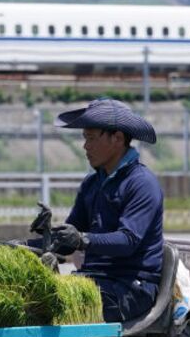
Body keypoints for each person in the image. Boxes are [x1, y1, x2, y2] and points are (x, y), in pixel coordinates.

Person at [43, 98, 165, 323]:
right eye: (85, 138)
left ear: (117, 138)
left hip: (130, 289)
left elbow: (128, 241)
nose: (85, 146)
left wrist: (82, 240)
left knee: (47, 303)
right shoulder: (92, 184)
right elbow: (69, 240)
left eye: (91, 138)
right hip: (95, 282)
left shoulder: (141, 183)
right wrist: (42, 238)